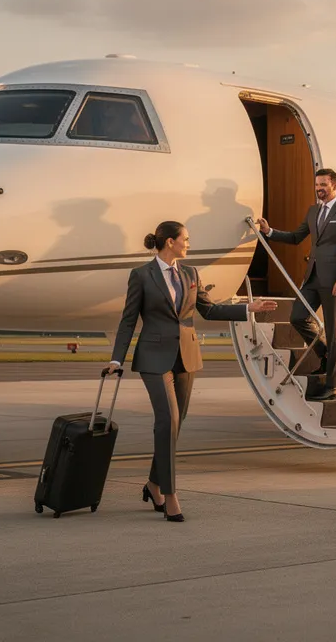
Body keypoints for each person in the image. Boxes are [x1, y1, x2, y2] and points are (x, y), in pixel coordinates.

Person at [104, 221, 276, 522]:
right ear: (170, 242)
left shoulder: (190, 273)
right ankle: (170, 495)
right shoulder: (141, 275)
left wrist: (248, 308)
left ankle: (153, 484)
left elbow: (209, 310)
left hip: (186, 355)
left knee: (176, 422)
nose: (189, 243)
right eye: (186, 239)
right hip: (153, 357)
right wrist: (116, 360)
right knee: (167, 419)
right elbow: (128, 320)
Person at [255, 168, 336, 400]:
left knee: (334, 332)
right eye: (316, 185)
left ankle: (332, 386)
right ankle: (324, 354)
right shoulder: (313, 211)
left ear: (334, 185)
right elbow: (295, 237)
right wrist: (269, 231)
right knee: (297, 317)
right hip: (312, 276)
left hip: (334, 280)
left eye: (323, 185)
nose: (319, 189)